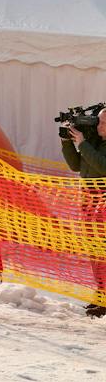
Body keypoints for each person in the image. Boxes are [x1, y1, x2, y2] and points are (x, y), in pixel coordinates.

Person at [61, 107, 106, 316]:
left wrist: (83, 144)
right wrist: (67, 142)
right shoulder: (94, 142)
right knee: (95, 251)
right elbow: (76, 166)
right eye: (98, 122)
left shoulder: (92, 145)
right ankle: (101, 296)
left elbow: (103, 168)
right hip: (89, 201)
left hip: (103, 203)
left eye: (104, 122)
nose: (99, 126)